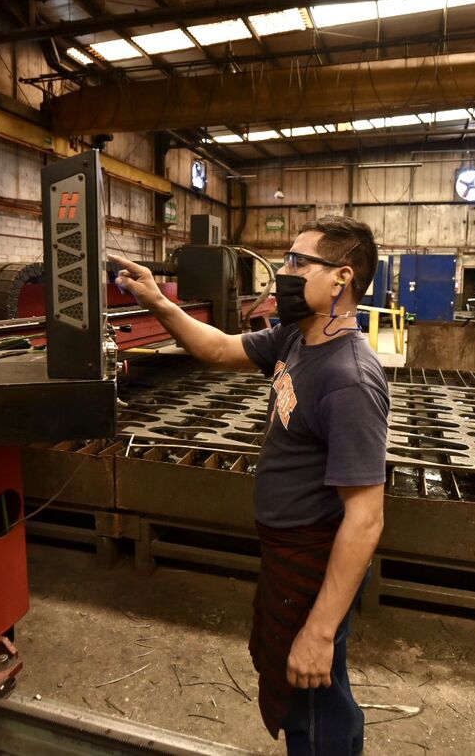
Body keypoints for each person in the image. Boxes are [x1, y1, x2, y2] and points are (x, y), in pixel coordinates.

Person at [109, 215, 389, 755]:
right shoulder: (296, 338)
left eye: (298, 262)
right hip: (286, 549)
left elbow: (365, 518)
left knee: (313, 693)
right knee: (304, 688)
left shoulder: (349, 379)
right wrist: (157, 301)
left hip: (315, 558)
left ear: (342, 278)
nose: (283, 272)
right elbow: (218, 348)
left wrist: (320, 630)